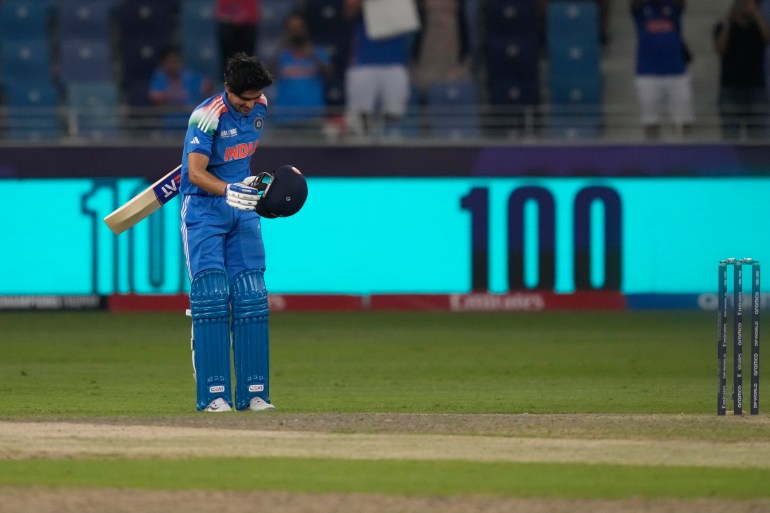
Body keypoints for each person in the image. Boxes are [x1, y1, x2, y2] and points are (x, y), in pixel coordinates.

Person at [180, 53, 306, 412]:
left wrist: (248, 183)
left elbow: (240, 158)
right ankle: (213, 395)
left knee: (252, 295)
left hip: (244, 206)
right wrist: (227, 190)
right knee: (211, 297)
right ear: (227, 89)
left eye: (255, 99)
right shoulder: (206, 117)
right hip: (204, 210)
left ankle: (254, 394)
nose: (250, 106)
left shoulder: (260, 106)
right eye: (243, 100)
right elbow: (194, 173)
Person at [343, 0, 416, 137]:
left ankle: (392, 149)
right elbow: (348, 14)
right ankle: (360, 147)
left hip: (395, 61)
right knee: (359, 116)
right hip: (365, 61)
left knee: (395, 115)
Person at [631, 0, 694, 139]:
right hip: (648, 73)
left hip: (676, 71)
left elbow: (682, 4)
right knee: (650, 122)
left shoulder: (673, 6)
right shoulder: (641, 9)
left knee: (684, 121)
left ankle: (685, 154)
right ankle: (652, 155)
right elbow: (633, 4)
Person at [714, 0, 770, 140]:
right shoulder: (723, 27)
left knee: (758, 137)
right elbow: (720, 49)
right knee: (730, 135)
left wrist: (756, 14)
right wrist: (728, 22)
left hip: (755, 88)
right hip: (730, 88)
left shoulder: (758, 26)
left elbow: (767, 38)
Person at [270, 12, 333, 131]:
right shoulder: (281, 55)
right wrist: (280, 47)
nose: (296, 32)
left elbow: (329, 74)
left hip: (313, 118)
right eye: (292, 29)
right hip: (284, 118)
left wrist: (313, 55)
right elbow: (266, 76)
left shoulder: (317, 53)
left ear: (306, 29)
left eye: (299, 28)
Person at [148, 46, 213, 132]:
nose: (173, 64)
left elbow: (209, 88)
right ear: (163, 63)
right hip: (169, 120)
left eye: (176, 60)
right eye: (170, 61)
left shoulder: (191, 76)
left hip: (191, 118)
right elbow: (155, 99)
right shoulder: (159, 77)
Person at [216, 0, 260, 75]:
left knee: (247, 32)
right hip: (229, 26)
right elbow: (221, 13)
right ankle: (228, 75)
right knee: (226, 29)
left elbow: (253, 15)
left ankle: (246, 75)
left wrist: (242, 17)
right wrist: (232, 18)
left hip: (247, 27)